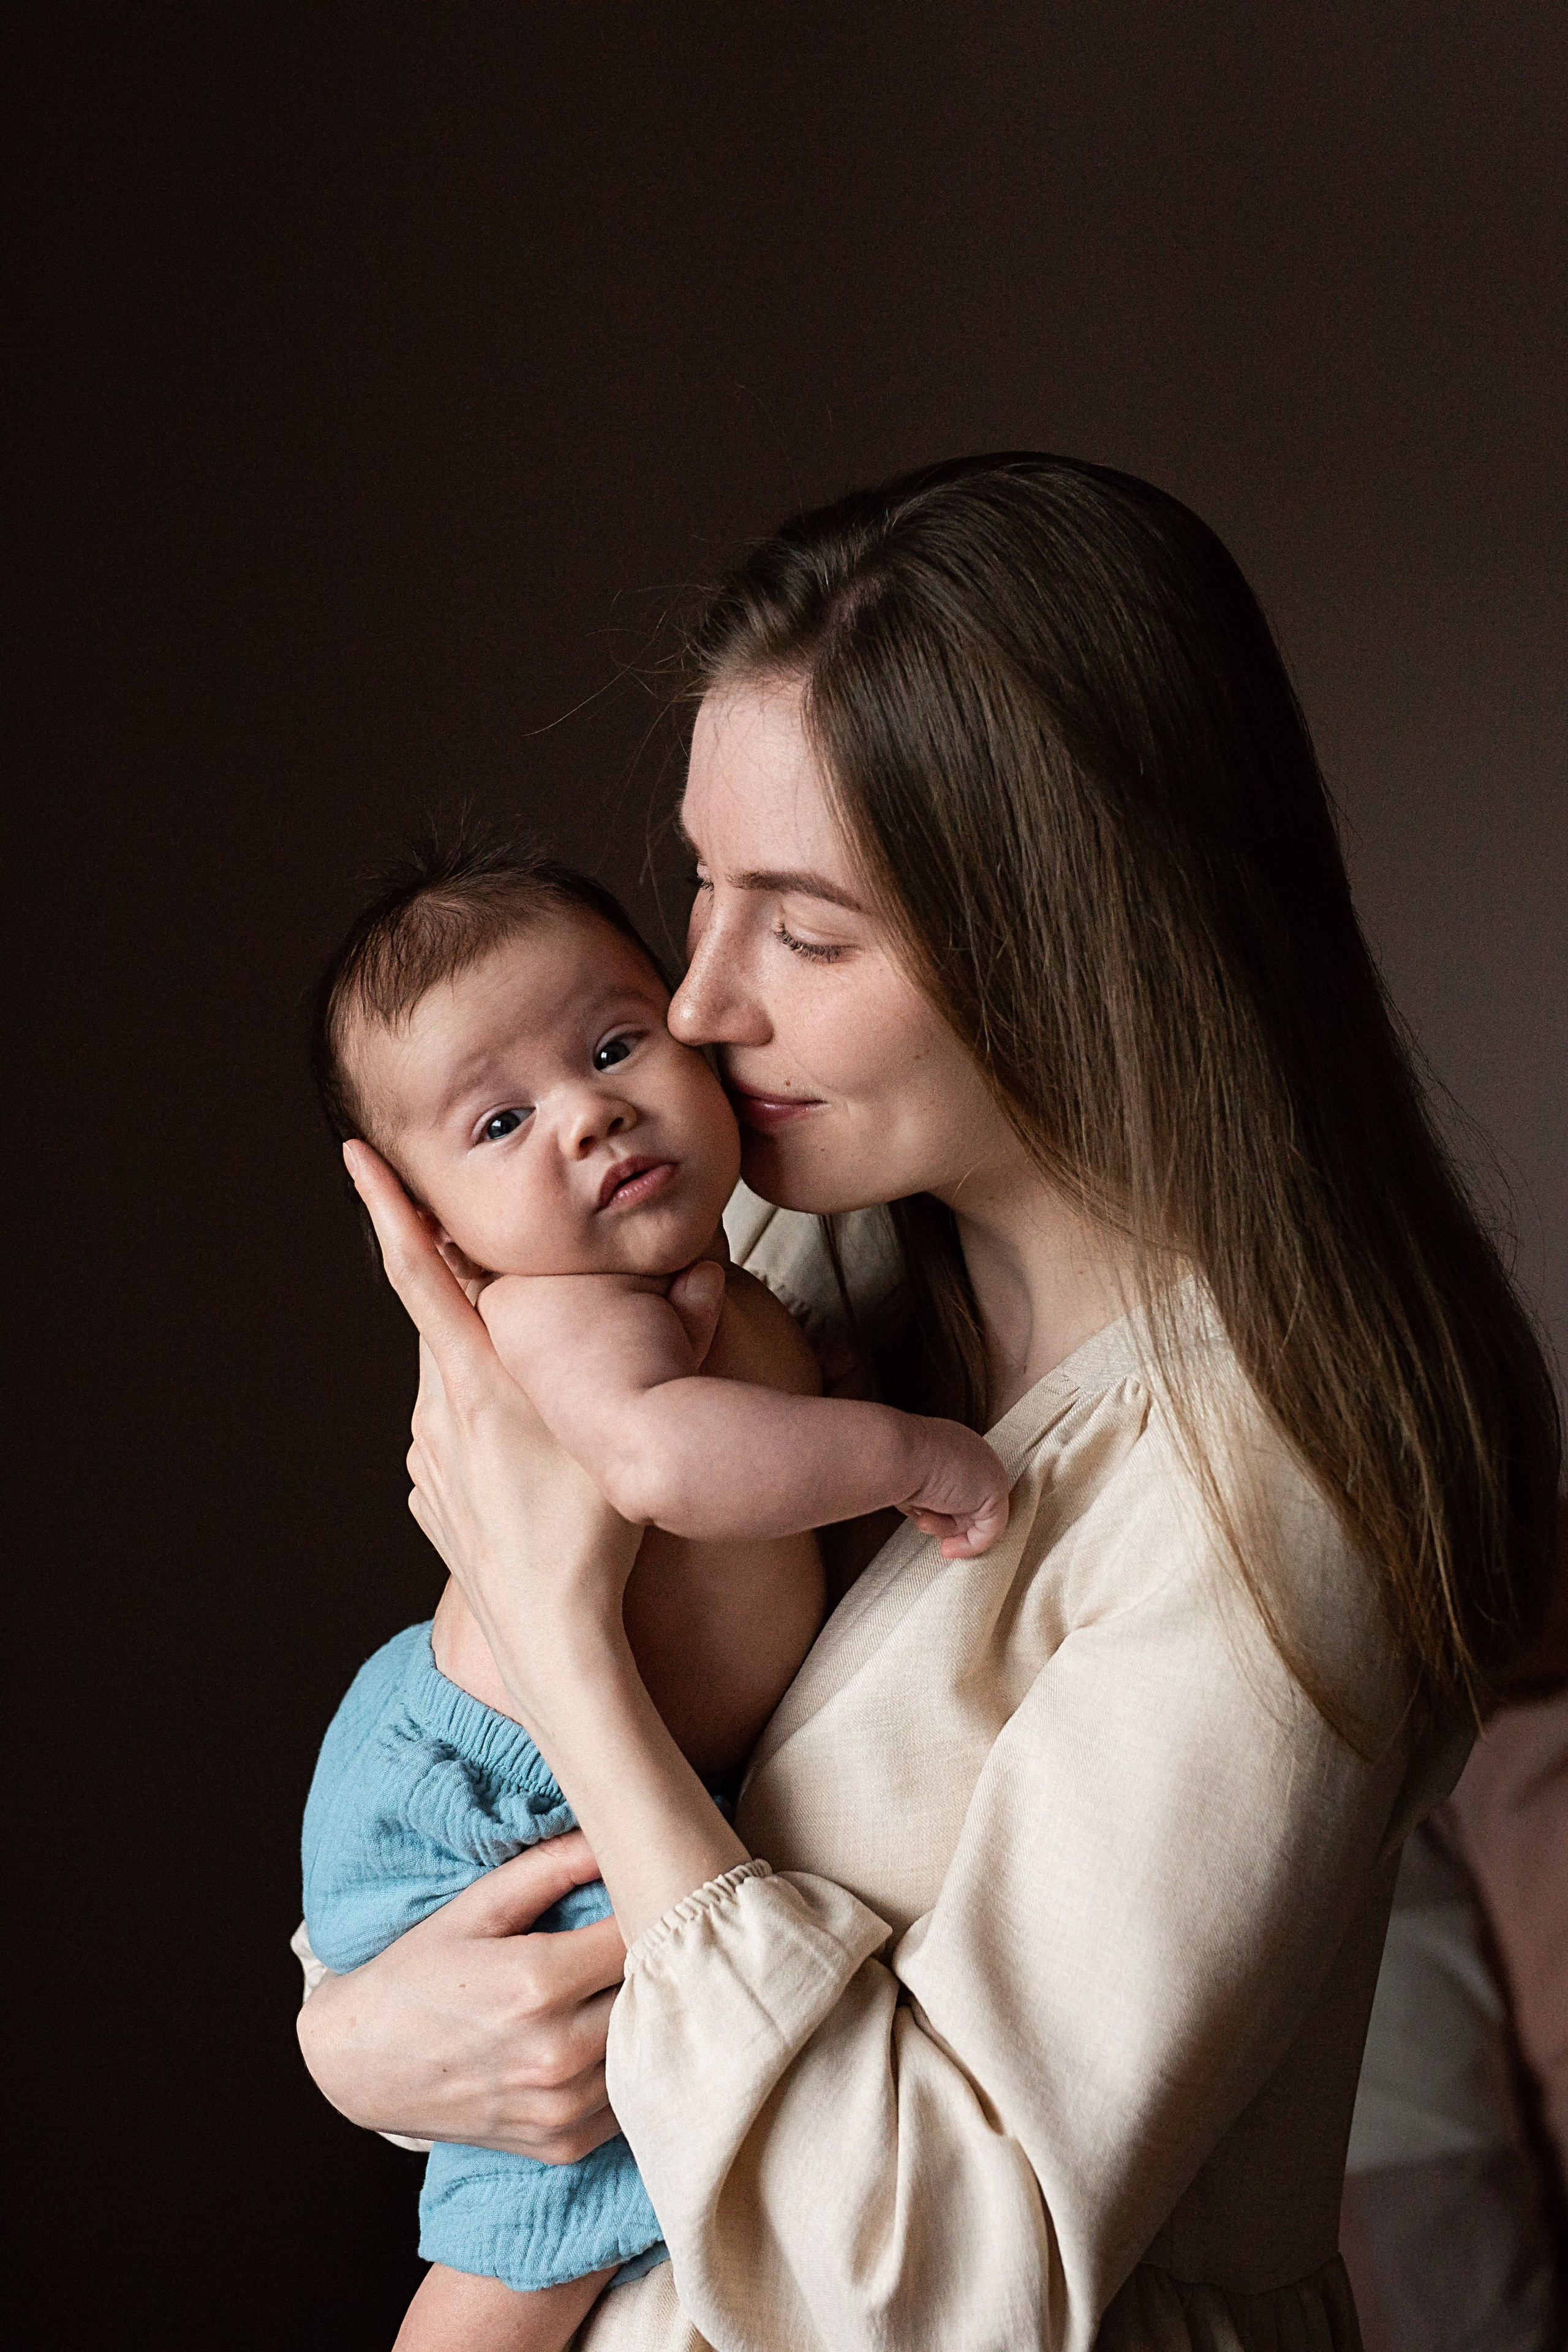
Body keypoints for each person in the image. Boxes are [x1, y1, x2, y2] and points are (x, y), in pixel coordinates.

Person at [295, 454, 1562, 2351]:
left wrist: (565, 1644)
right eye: (704, 890)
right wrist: (361, 2037)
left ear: (1080, 938)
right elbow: (468, 1856)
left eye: (805, 932)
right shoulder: (804, 1260)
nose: (704, 1003)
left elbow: (930, 2283)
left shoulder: (1276, 1483)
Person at [300, 841, 1009, 2351]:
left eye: (614, 1044)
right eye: (500, 1120)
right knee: (535, 2237)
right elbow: (662, 1463)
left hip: (569, 1755)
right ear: (430, 1229)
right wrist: (905, 1453)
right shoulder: (563, 1314)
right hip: (499, 1797)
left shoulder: (716, 1259)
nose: (590, 1113)